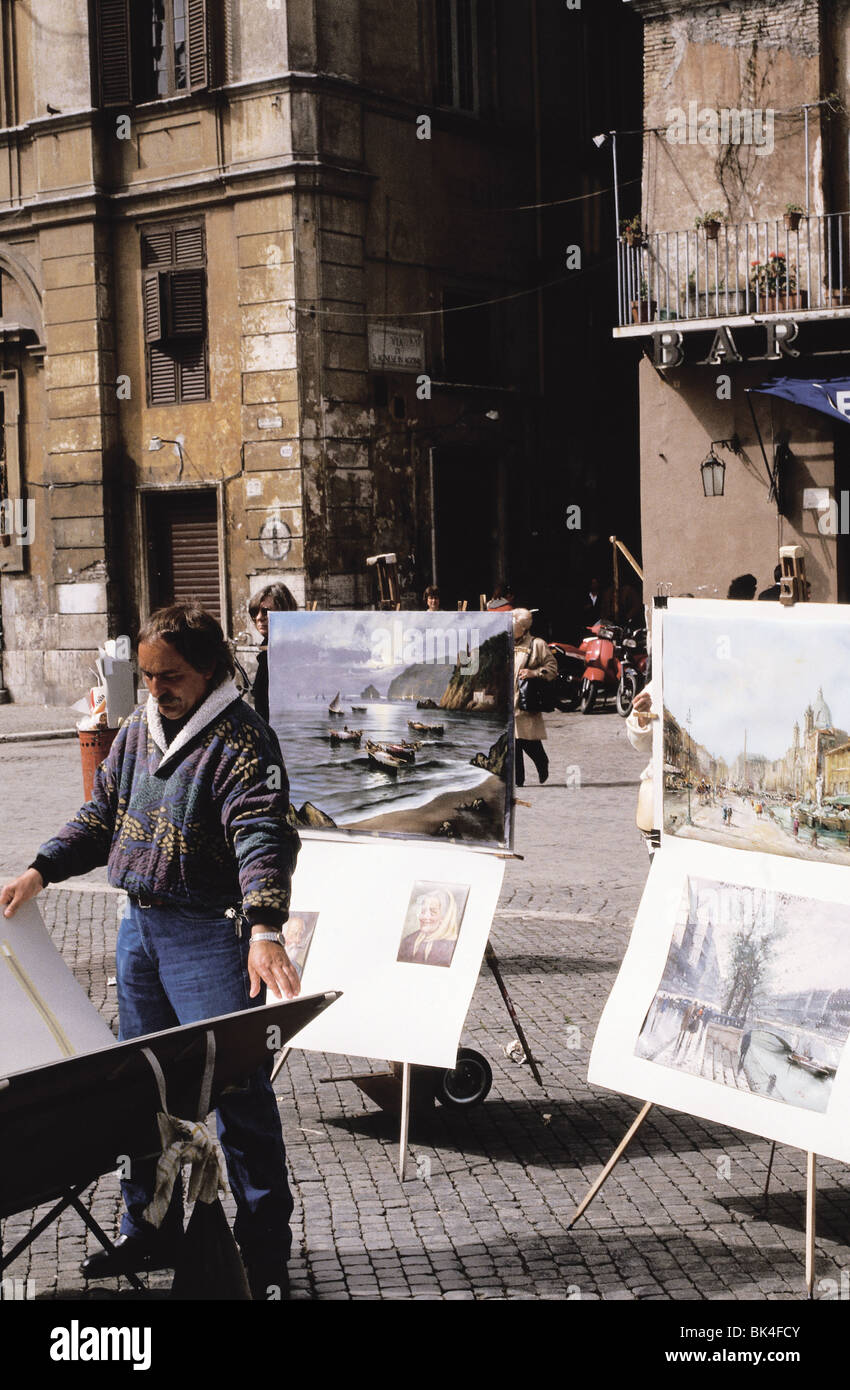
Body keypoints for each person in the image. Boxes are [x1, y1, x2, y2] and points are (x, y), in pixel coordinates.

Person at [0, 603, 301, 1299]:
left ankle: (264, 1250)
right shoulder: (137, 729)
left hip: (204, 933)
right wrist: (42, 868)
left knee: (236, 1093)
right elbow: (103, 813)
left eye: (170, 677)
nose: (155, 690)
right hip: (140, 926)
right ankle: (150, 1227)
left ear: (210, 671)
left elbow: (262, 836)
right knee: (141, 1088)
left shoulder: (243, 742)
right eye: (146, 676)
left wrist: (263, 930)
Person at [513, 607, 557, 787]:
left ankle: (541, 761)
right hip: (508, 699)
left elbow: (552, 668)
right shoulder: (505, 642)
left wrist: (534, 673)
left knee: (526, 740)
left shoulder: (537, 644)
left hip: (525, 700)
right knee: (513, 741)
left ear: (523, 627)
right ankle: (518, 780)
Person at [248, 582, 297, 723]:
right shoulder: (266, 650)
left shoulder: (290, 652)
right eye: (254, 612)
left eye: (265, 611)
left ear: (284, 610)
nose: (258, 617)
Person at [397, 888, 461, 967]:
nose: (424, 917)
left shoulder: (453, 946)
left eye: (433, 912)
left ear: (445, 917)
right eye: (423, 911)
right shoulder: (408, 941)